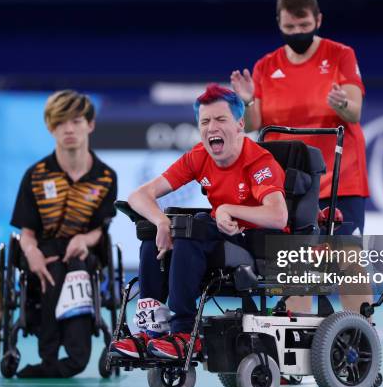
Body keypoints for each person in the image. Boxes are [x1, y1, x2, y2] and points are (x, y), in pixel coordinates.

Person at [110, 84, 288, 359]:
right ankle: (152, 331)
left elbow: (278, 215)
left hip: (256, 246)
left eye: (220, 119)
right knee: (154, 235)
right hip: (216, 238)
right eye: (205, 121)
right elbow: (139, 196)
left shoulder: (259, 161)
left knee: (194, 226)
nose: (211, 127)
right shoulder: (200, 156)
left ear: (240, 124)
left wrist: (229, 208)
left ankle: (184, 332)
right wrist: (160, 222)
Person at [230, 0, 372, 315]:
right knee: (294, 263)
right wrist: (248, 99)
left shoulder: (341, 55)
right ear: (279, 24)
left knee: (345, 257)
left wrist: (342, 103)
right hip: (291, 185)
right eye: (290, 27)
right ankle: (296, 338)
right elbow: (254, 123)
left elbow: (355, 112)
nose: (297, 32)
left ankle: (362, 336)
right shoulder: (266, 66)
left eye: (304, 26)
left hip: (341, 179)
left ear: (318, 20)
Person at [10, 90, 118, 377]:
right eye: (60, 123)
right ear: (50, 127)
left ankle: (74, 358)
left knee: (73, 269)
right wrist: (31, 253)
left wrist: (84, 239)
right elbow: (27, 232)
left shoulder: (106, 177)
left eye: (76, 121)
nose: (68, 129)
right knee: (51, 269)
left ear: (90, 125)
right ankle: (50, 358)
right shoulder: (35, 175)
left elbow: (100, 230)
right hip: (43, 253)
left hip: (83, 256)